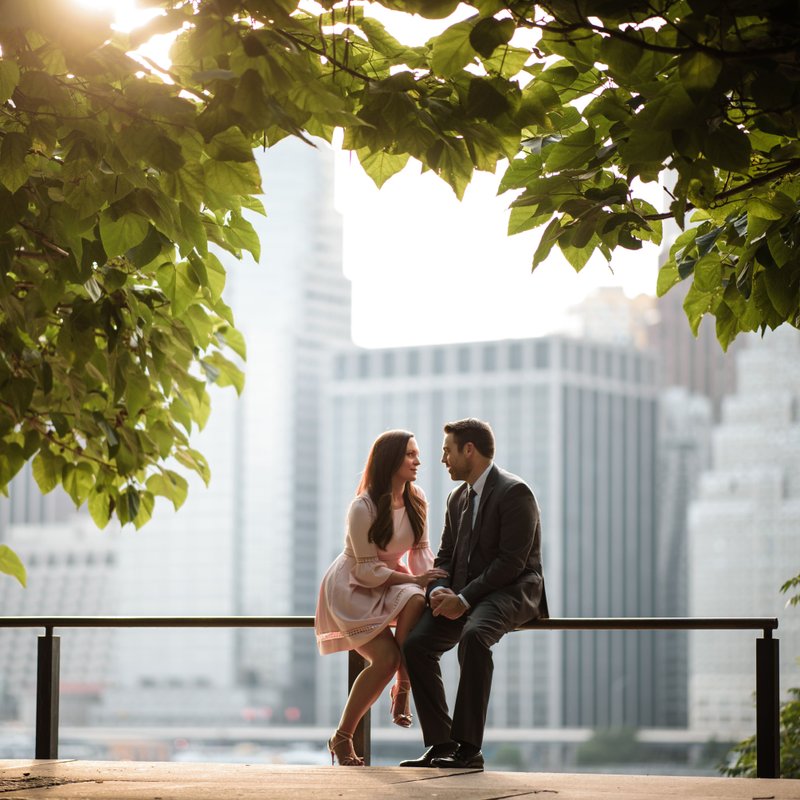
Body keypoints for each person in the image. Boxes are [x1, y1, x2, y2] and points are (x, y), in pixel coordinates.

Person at [400, 418, 548, 770]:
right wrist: (438, 591)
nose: (442, 460)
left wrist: (462, 600)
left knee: (475, 636)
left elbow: (511, 563)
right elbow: (446, 556)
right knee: (416, 644)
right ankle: (441, 743)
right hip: (465, 593)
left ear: (470, 450)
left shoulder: (516, 493)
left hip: (510, 591)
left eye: (447, 451)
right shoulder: (456, 498)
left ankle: (468, 749)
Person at [315, 430, 448, 766]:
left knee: (417, 599)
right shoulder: (363, 507)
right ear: (390, 460)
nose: (418, 461)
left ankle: (402, 687)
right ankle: (342, 738)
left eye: (417, 454)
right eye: (410, 455)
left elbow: (420, 556)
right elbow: (365, 570)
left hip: (392, 579)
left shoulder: (417, 499)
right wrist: (414, 579)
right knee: (385, 659)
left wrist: (432, 586)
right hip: (353, 587)